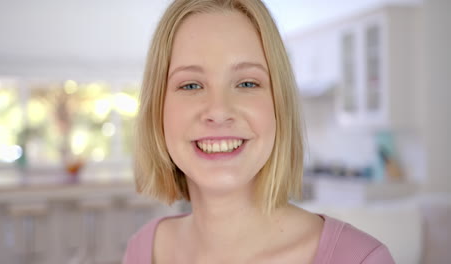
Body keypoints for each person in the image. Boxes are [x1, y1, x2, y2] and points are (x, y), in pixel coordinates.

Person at [123, 0, 395, 263]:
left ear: (279, 104)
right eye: (191, 85)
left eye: (247, 83)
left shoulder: (361, 259)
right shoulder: (144, 250)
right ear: (157, 107)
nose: (218, 111)